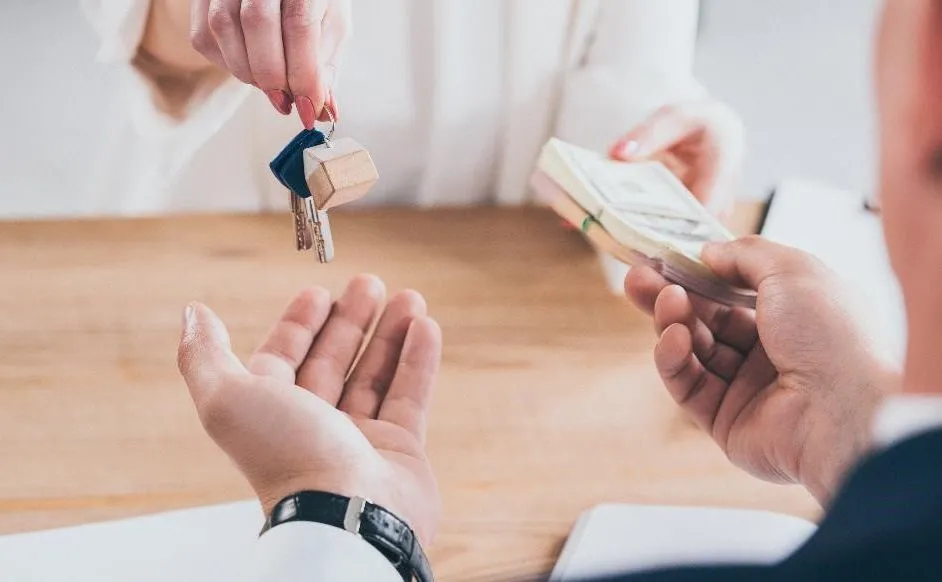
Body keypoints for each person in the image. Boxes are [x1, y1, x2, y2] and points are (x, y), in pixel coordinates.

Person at [175, 0, 942, 580]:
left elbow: (627, 53)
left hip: (529, 291)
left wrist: (339, 519)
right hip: (212, 224)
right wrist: (856, 432)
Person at [68, 0, 741, 218]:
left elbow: (633, 67)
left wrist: (648, 156)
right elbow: (131, 27)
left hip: (500, 277)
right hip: (219, 227)